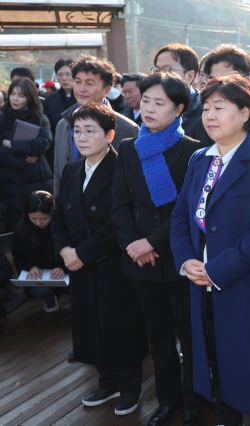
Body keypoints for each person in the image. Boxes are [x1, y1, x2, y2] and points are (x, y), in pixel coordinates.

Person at [171, 72, 250, 426]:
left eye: (219, 107)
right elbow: (181, 217)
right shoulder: (199, 160)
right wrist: (186, 260)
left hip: (247, 290)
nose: (209, 115)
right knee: (218, 370)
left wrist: (216, 270)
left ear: (245, 113)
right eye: (206, 107)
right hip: (201, 288)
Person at [110, 72, 202, 426]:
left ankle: (194, 403)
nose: (148, 108)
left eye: (159, 103)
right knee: (159, 340)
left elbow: (190, 210)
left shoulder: (194, 151)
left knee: (191, 338)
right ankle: (168, 401)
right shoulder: (130, 148)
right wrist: (133, 245)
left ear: (179, 108)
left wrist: (152, 242)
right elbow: (118, 203)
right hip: (141, 262)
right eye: (145, 100)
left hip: (178, 259)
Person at [50, 102, 148, 417]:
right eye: (77, 131)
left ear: (109, 135)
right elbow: (57, 216)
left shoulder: (122, 167)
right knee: (89, 325)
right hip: (78, 264)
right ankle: (106, 382)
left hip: (111, 264)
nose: (81, 137)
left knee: (119, 326)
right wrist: (65, 250)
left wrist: (81, 253)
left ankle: (130, 386)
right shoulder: (71, 169)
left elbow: (118, 223)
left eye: (90, 131)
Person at [53, 54, 139, 196]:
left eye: (89, 83)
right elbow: (58, 174)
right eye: (78, 81)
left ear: (107, 90)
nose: (81, 89)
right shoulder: (63, 125)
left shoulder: (127, 129)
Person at [0, 78, 53, 229]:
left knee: (40, 226)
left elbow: (43, 144)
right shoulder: (2, 118)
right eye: (13, 94)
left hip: (37, 179)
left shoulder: (40, 118)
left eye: (21, 95)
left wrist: (12, 145)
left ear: (30, 98)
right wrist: (23, 159)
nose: (15, 99)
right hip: (9, 183)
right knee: (16, 229)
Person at [11, 191, 66, 312]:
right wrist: (30, 267)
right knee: (40, 290)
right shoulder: (21, 229)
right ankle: (49, 299)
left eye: (44, 218)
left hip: (62, 272)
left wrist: (62, 267)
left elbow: (70, 247)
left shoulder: (63, 225)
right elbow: (18, 256)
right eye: (33, 218)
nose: (38, 223)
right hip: (38, 275)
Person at [153, 43, 202, 136]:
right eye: (156, 70)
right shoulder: (150, 108)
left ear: (190, 76)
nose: (160, 75)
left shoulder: (205, 113)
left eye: (168, 70)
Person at [43, 59, 77, 170]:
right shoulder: (49, 100)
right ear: (56, 77)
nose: (64, 78)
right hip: (57, 149)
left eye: (68, 74)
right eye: (60, 74)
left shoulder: (83, 97)